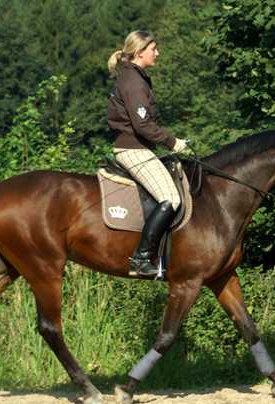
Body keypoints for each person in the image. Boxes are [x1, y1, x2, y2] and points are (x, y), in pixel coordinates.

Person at [107, 30, 190, 277]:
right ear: (140, 51)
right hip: (133, 149)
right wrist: (172, 142)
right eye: (153, 49)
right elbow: (142, 125)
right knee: (171, 198)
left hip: (139, 147)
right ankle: (141, 259)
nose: (157, 53)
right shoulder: (133, 82)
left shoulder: (134, 77)